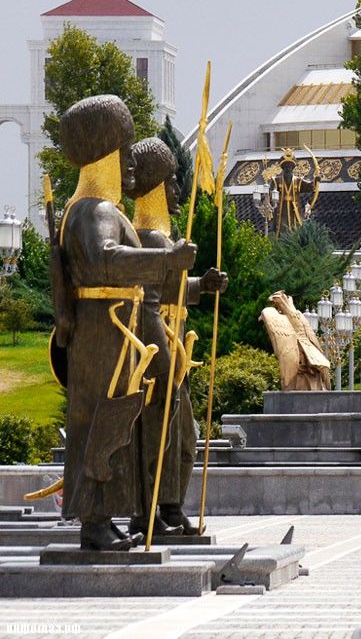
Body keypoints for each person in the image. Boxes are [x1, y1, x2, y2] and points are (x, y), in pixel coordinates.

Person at [55, 95, 197, 550]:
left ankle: (101, 519)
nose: (130, 162)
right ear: (105, 152)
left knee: (110, 422)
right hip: (105, 328)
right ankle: (94, 521)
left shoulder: (96, 208)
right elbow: (105, 259)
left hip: (111, 327)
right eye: (124, 147)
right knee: (102, 421)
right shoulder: (95, 210)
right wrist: (166, 258)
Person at [124, 137, 227, 536]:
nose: (177, 191)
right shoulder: (149, 238)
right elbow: (147, 303)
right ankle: (148, 512)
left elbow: (171, 291)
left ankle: (170, 508)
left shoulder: (161, 241)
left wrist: (202, 285)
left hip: (174, 354)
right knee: (157, 437)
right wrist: (163, 366)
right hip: (157, 358)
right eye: (170, 181)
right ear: (152, 187)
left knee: (183, 438)